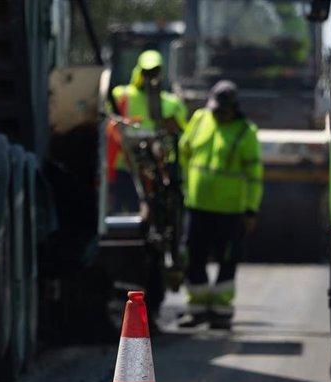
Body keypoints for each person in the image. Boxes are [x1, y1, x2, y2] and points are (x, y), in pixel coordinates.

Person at [178, 80, 263, 329]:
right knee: (194, 257)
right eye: (215, 108)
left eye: (223, 110)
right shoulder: (200, 119)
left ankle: (221, 312)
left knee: (228, 260)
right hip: (197, 205)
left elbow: (254, 177)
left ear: (234, 108)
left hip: (230, 211)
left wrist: (250, 210)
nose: (217, 113)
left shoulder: (245, 132)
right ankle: (197, 310)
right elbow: (184, 150)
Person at [106, 50, 188, 213]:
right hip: (125, 167)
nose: (151, 77)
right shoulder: (122, 96)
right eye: (147, 72)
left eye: (154, 72)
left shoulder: (172, 103)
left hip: (158, 169)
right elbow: (108, 123)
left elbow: (182, 134)